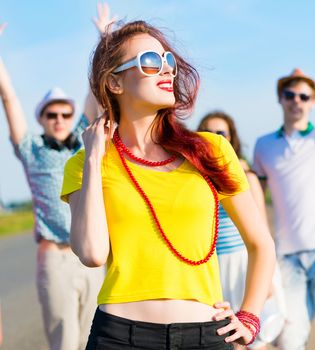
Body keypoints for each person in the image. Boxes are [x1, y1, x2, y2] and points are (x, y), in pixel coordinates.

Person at [61, 20, 276, 349]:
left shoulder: (211, 150)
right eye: (150, 61)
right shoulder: (86, 164)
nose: (167, 70)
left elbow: (261, 244)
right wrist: (92, 158)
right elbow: (91, 253)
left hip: (206, 335)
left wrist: (250, 315)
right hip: (119, 337)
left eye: (169, 61)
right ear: (115, 82)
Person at [0, 7, 115, 349]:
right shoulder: (31, 149)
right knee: (64, 341)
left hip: (92, 255)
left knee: (93, 339)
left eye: (66, 112)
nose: (61, 118)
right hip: (56, 257)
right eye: (52, 114)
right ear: (43, 118)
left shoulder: (85, 136)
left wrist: (105, 40)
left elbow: (96, 91)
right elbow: (9, 98)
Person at [252, 68, 315, 350]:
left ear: (313, 102)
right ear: (280, 98)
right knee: (289, 341)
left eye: (304, 96)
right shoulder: (263, 145)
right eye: (290, 94)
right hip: (287, 256)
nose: (297, 101)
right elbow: (255, 195)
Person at [198, 111, 286, 350]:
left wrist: (267, 279)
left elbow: (262, 232)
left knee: (254, 337)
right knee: (226, 337)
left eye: (221, 133)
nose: (214, 137)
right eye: (208, 132)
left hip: (243, 261)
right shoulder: (196, 180)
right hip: (214, 266)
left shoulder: (246, 177)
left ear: (231, 138)